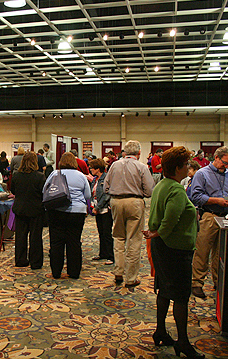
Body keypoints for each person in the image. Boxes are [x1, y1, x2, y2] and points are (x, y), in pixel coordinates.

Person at [144, 146, 204, 359]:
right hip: (175, 248)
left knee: (164, 289)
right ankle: (183, 342)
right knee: (180, 296)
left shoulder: (162, 185)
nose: (188, 168)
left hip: (163, 247)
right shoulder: (177, 189)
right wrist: (159, 233)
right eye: (186, 164)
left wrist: (156, 234)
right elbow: (170, 220)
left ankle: (160, 331)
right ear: (178, 168)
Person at [189, 146, 228, 299]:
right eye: (224, 163)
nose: (226, 166)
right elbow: (195, 196)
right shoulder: (202, 174)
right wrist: (216, 200)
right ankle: (197, 283)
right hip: (209, 215)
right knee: (202, 250)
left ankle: (219, 282)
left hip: (226, 217)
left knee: (221, 253)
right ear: (216, 158)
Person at [104, 140, 154, 287]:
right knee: (134, 239)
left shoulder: (114, 165)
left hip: (116, 202)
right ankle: (131, 278)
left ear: (124, 152)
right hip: (135, 202)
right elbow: (150, 190)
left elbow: (106, 186)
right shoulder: (142, 167)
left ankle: (118, 272)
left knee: (118, 237)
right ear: (139, 153)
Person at [43, 152, 91, 279]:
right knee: (74, 242)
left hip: (56, 211)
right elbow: (88, 195)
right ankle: (74, 272)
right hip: (77, 212)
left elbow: (45, 191)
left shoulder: (54, 174)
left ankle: (56, 272)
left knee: (56, 242)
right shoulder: (81, 176)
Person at [11, 152, 46, 269]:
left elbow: (13, 191)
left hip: (20, 209)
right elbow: (43, 193)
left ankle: (20, 260)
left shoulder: (16, 175)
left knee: (20, 236)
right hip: (36, 209)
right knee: (35, 236)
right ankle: (35, 262)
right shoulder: (40, 176)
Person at [89, 159, 114, 265]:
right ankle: (103, 253)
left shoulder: (106, 178)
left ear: (98, 169)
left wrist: (98, 207)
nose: (90, 170)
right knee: (101, 232)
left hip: (105, 209)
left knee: (107, 233)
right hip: (97, 208)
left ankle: (111, 256)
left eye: (92, 168)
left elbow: (106, 195)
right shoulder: (95, 179)